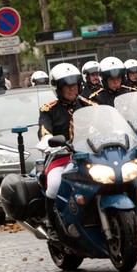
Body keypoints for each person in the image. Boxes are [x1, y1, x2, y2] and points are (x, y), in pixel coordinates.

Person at [37, 63, 95, 239]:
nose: (71, 89)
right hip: (61, 157)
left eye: (74, 85)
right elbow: (44, 131)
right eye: (67, 86)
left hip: (88, 156)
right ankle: (51, 224)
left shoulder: (89, 105)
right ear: (58, 88)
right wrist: (48, 141)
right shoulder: (48, 110)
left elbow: (105, 124)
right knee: (54, 186)